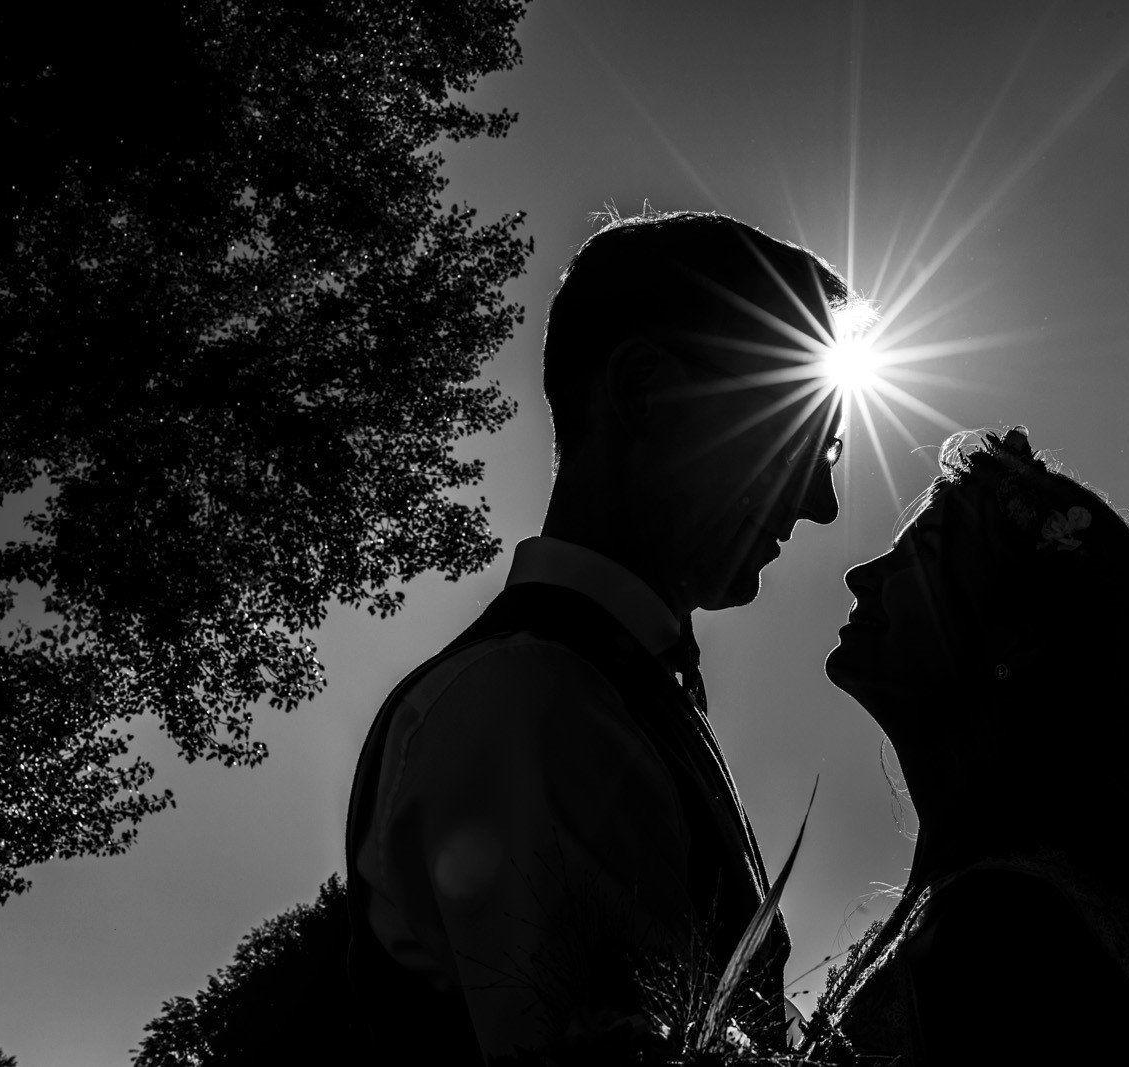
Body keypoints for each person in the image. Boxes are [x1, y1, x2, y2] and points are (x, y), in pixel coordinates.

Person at [345, 210, 856, 1063]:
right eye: (801, 436)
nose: (821, 502)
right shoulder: (529, 703)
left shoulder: (612, 690)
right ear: (643, 390)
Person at [810, 426, 1129, 1067]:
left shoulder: (1010, 935)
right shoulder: (1005, 903)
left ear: (1014, 644)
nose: (861, 576)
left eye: (918, 558)